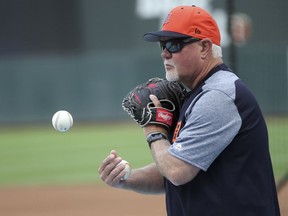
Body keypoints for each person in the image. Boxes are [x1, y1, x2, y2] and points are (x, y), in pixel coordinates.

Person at [98, 5, 280, 216]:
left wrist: (154, 128)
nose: (165, 53)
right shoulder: (198, 94)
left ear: (204, 47)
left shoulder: (218, 96)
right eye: (162, 45)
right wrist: (126, 178)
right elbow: (173, 168)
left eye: (174, 44)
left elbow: (177, 170)